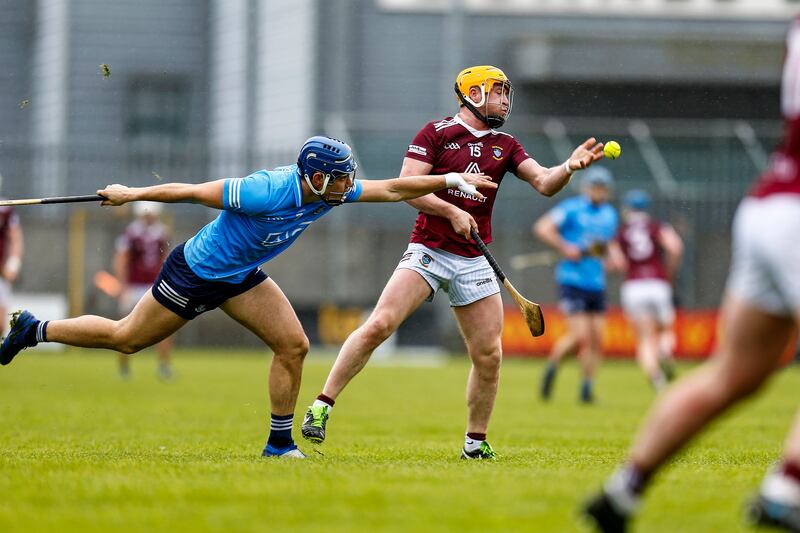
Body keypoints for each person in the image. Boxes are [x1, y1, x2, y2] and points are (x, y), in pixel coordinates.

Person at [0, 135, 496, 459]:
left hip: (242, 277)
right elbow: (194, 192)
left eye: (348, 176)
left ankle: (279, 444)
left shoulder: (334, 191)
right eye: (340, 177)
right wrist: (131, 194)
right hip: (197, 272)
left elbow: (391, 189)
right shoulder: (264, 190)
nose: (348, 185)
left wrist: (452, 180)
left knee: (294, 345)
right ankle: (33, 329)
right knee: (126, 338)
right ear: (314, 176)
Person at [301, 65, 605, 459]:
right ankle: (321, 406)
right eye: (497, 92)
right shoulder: (436, 133)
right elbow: (407, 187)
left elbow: (545, 183)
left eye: (506, 93)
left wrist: (568, 167)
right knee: (379, 324)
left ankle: (474, 446)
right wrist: (450, 211)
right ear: (473, 93)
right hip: (429, 249)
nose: (504, 100)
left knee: (489, 355)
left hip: (474, 258)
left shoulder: (507, 144)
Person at [583, 18, 800, 532]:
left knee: (732, 375)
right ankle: (787, 488)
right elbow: (672, 249)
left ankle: (625, 489)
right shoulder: (654, 228)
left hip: (770, 204)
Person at [534, 166, 618, 404]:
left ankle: (586, 389)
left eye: (602, 188)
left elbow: (606, 245)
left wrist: (613, 257)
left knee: (596, 339)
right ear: (586, 188)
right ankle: (552, 367)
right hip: (572, 280)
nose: (598, 192)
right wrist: (565, 247)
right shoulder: (572, 209)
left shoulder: (609, 214)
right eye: (594, 187)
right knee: (579, 336)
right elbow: (543, 228)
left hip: (596, 282)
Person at [607, 189, 684, 392]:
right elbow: (675, 247)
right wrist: (669, 272)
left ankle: (657, 379)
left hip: (634, 286)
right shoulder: (657, 227)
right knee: (665, 330)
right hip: (658, 284)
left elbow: (619, 264)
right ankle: (665, 351)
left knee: (644, 338)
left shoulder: (621, 233)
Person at [114, 201, 174, 380]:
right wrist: (123, 285)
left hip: (154, 285)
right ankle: (123, 368)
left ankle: (164, 366)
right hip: (133, 286)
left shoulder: (161, 232)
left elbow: (165, 258)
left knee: (165, 326)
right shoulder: (131, 233)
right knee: (124, 327)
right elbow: (122, 259)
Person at [0, 173, 23, 337]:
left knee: (1, 323)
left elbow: (16, 239)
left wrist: (12, 265)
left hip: (0, 271)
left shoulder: (5, 208)